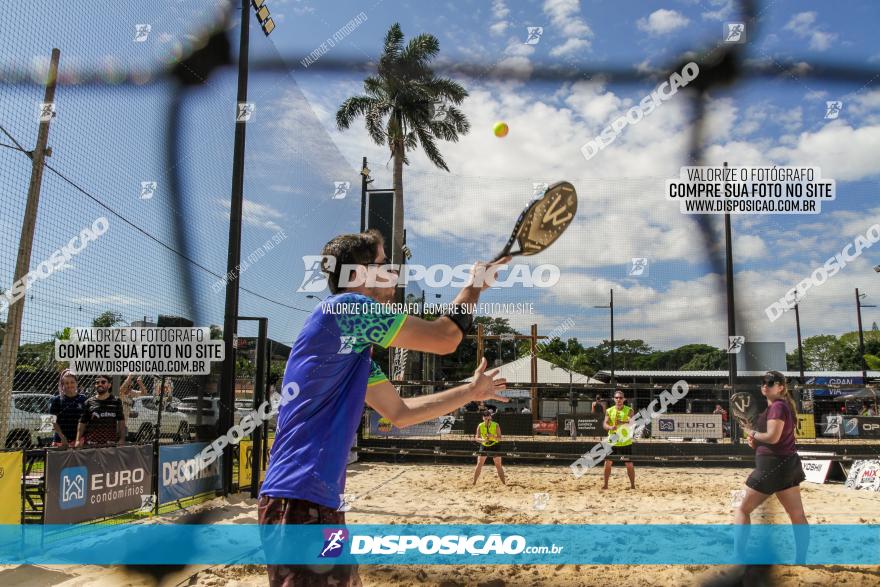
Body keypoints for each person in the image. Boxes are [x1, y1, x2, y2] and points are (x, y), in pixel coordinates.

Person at [258, 229, 509, 587]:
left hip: (312, 500)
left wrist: (470, 390)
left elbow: (401, 413)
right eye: (383, 264)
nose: (393, 272)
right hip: (297, 500)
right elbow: (445, 338)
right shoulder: (347, 308)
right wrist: (475, 285)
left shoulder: (352, 350)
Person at [734, 371, 808, 564]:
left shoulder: (776, 407)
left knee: (742, 509)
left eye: (770, 382)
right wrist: (756, 441)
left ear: (781, 387)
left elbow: (773, 437)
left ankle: (738, 557)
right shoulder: (781, 407)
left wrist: (751, 432)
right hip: (788, 465)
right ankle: (801, 560)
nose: (765, 385)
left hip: (771, 466)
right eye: (763, 382)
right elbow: (775, 439)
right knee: (797, 515)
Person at [76, 375, 126, 447]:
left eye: (103, 382)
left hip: (110, 444)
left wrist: (122, 439)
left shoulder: (116, 401)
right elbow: (82, 422)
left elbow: (121, 421)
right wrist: (78, 440)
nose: (100, 384)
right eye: (97, 382)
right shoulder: (88, 402)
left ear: (109, 385)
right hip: (91, 444)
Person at [602, 390, 635, 490]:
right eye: (616, 398)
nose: (618, 399)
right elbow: (605, 424)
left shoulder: (629, 410)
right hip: (612, 441)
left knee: (629, 464)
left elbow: (631, 422)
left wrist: (621, 422)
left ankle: (633, 485)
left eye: (620, 398)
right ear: (614, 399)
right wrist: (610, 427)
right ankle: (605, 485)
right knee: (607, 463)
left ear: (624, 399)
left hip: (625, 441)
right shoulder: (609, 410)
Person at [48, 370, 86, 449]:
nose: (70, 385)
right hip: (61, 440)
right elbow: (52, 420)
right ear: (62, 385)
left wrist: (78, 439)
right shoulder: (56, 400)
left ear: (76, 383)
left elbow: (86, 420)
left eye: (72, 382)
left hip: (79, 441)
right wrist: (61, 436)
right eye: (66, 383)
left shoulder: (83, 399)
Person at [473, 410, 506, 485]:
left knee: (498, 465)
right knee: (479, 464)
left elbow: (500, 438)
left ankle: (504, 483)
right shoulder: (480, 425)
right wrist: (483, 440)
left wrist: (492, 436)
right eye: (485, 419)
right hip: (484, 445)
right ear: (483, 418)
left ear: (491, 417)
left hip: (495, 445)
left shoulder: (496, 425)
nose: (487, 420)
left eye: (488, 418)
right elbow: (476, 438)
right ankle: (474, 482)